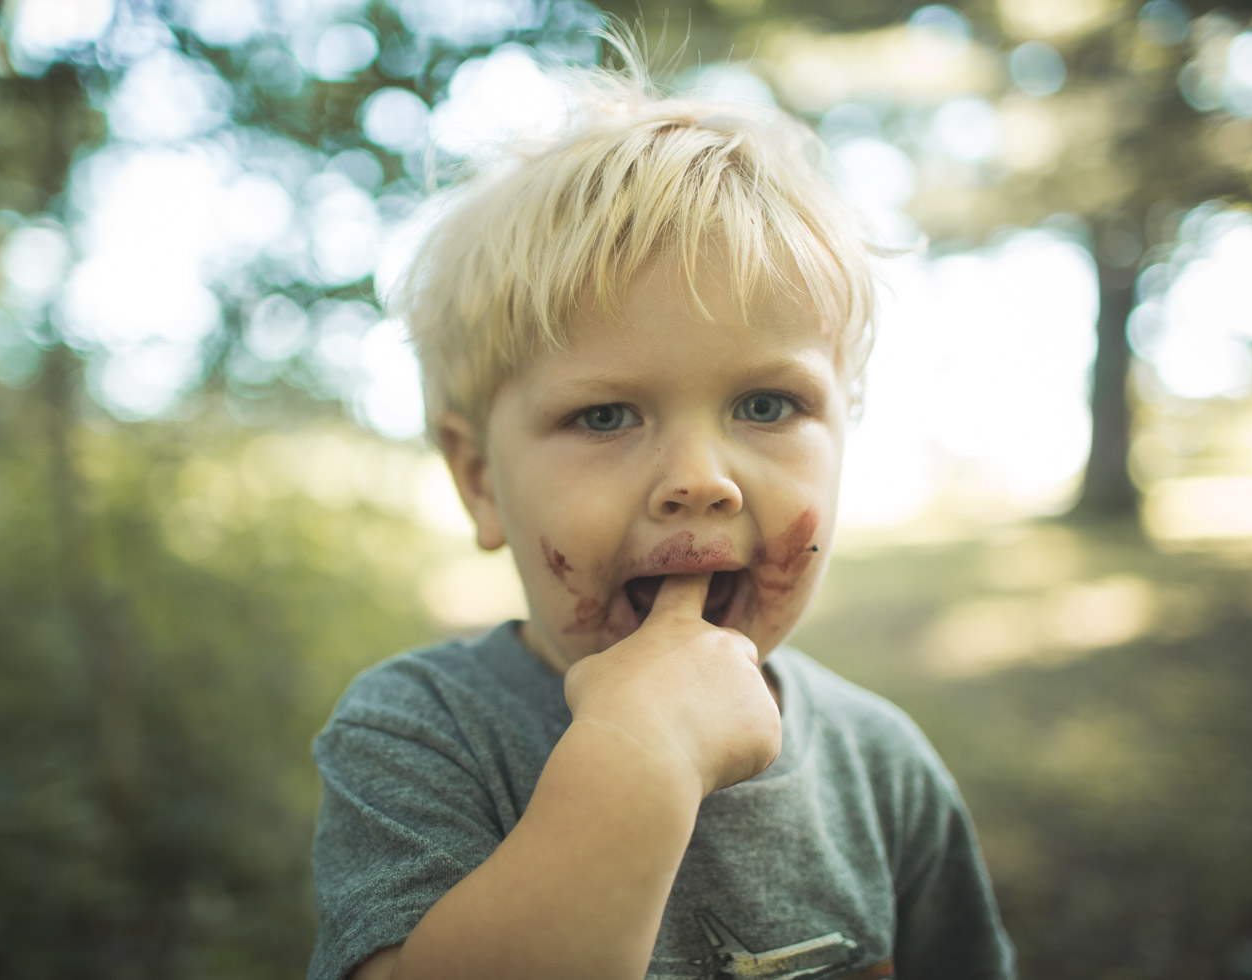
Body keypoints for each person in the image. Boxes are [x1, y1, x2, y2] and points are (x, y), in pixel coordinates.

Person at [308, 37, 1016, 980]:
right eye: (604, 415)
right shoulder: (421, 735)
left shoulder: (881, 767)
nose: (700, 481)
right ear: (480, 480)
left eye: (766, 406)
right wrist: (642, 755)